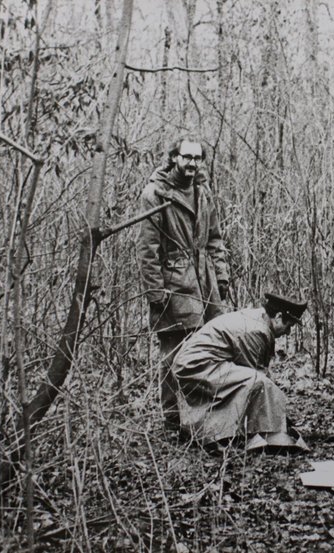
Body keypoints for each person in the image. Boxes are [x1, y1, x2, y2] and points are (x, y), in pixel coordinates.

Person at [137, 137, 229, 432]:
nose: (192, 163)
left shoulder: (203, 191)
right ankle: (172, 419)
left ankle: (200, 415)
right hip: (173, 282)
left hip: (206, 282)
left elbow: (215, 239)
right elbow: (147, 249)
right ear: (173, 157)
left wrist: (221, 274)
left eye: (197, 158)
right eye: (186, 157)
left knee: (207, 347)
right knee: (173, 354)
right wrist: (155, 291)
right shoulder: (155, 193)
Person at [172, 293, 308, 451]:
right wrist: (278, 419)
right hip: (196, 366)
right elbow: (258, 379)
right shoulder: (257, 331)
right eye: (288, 326)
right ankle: (220, 435)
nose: (288, 332)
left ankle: (222, 433)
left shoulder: (258, 318)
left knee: (253, 382)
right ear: (278, 317)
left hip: (198, 362)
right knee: (256, 383)